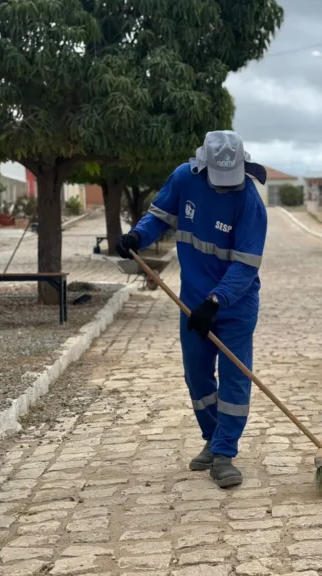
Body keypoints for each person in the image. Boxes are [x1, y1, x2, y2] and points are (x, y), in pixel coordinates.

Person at [115, 130, 268, 488]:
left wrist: (216, 301)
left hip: (235, 303)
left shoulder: (249, 200)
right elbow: (159, 217)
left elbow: (246, 265)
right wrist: (138, 236)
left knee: (234, 377)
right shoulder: (184, 178)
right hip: (192, 302)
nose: (225, 187)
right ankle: (212, 439)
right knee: (196, 375)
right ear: (204, 165)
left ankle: (225, 452)